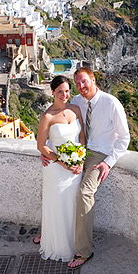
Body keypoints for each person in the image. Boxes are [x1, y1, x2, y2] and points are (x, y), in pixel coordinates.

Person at [62, 67, 131, 268]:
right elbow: (59, 115)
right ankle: (52, 234)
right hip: (79, 151)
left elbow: (124, 138)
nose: (81, 86)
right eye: (77, 83)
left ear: (93, 80)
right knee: (57, 179)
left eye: (84, 81)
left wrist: (109, 162)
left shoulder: (111, 103)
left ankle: (84, 251)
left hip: (99, 154)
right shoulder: (76, 102)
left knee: (84, 193)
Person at [35, 75, 86, 261]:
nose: (64, 95)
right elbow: (41, 146)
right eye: (60, 92)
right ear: (53, 92)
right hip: (56, 169)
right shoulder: (47, 116)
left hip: (75, 168)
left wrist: (80, 159)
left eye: (67, 91)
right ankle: (59, 246)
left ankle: (76, 243)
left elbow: (82, 138)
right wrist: (61, 162)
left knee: (73, 205)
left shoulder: (76, 109)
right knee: (58, 206)